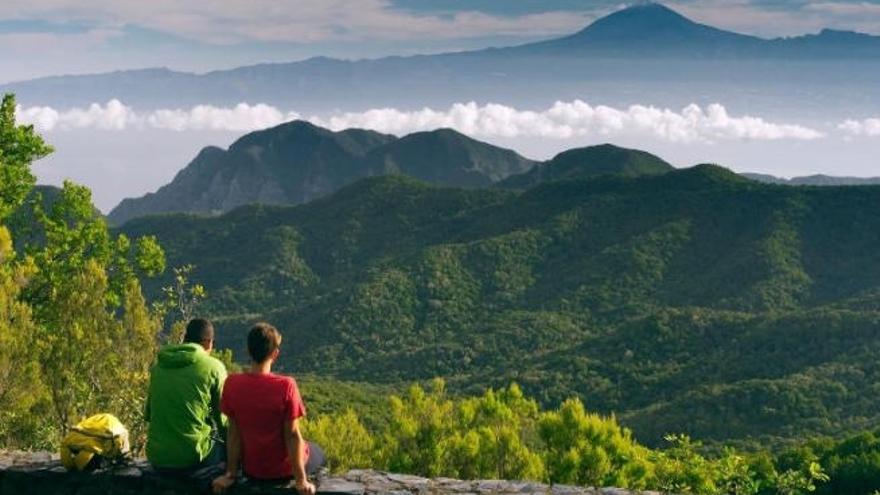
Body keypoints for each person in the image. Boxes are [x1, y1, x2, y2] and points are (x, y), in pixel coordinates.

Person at [212, 322, 325, 495]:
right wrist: (301, 480)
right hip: (282, 471)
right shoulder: (286, 386)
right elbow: (292, 435)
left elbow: (233, 433)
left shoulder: (232, 384)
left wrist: (231, 474)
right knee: (317, 451)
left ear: (249, 352)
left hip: (253, 470)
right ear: (275, 354)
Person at [145, 318, 228, 475]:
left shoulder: (159, 367)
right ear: (208, 342)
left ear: (185, 339)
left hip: (157, 456)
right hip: (192, 457)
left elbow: (149, 415)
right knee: (230, 453)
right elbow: (223, 422)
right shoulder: (214, 367)